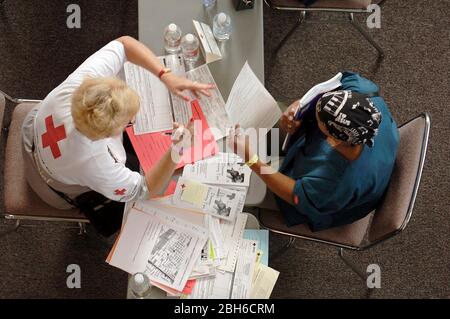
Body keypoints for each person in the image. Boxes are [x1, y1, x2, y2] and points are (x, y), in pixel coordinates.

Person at [22, 36, 213, 234]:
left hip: (32, 132)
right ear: (106, 136)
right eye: (128, 122)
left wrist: (166, 75)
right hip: (52, 184)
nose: (134, 119)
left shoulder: (82, 86)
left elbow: (124, 44)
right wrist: (178, 147)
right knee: (150, 171)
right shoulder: (96, 162)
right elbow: (144, 190)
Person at [228, 72, 400, 231]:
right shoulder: (365, 94)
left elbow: (295, 195)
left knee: (240, 181)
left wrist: (251, 159)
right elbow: (327, 89)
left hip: (307, 195)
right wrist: (297, 106)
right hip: (310, 150)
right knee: (270, 115)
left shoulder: (338, 183)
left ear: (333, 140)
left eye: (319, 122)